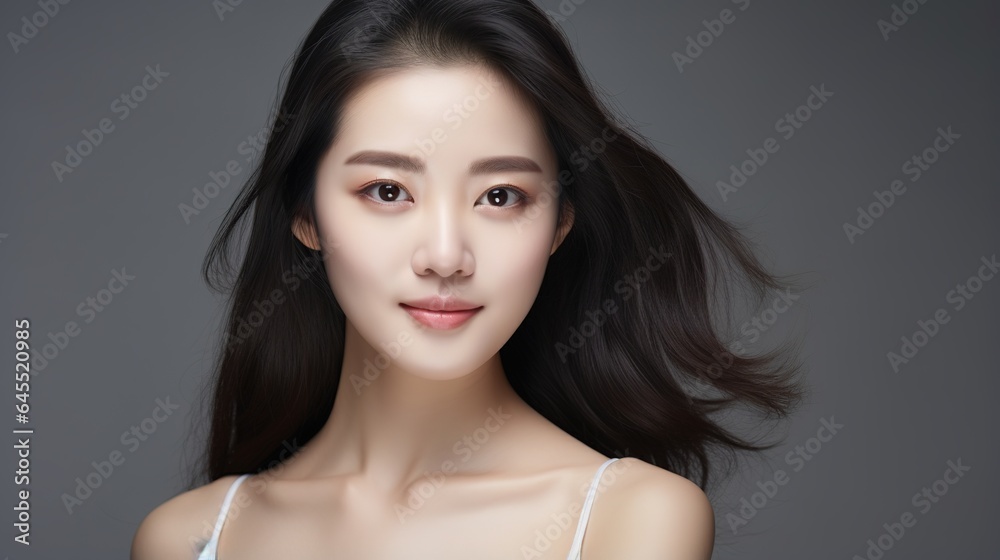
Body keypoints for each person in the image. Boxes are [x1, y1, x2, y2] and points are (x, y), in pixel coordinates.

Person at [132, 0, 806, 558]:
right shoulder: (186, 538)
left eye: (501, 197)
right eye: (389, 191)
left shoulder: (629, 523)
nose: (447, 256)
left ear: (561, 222)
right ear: (305, 214)